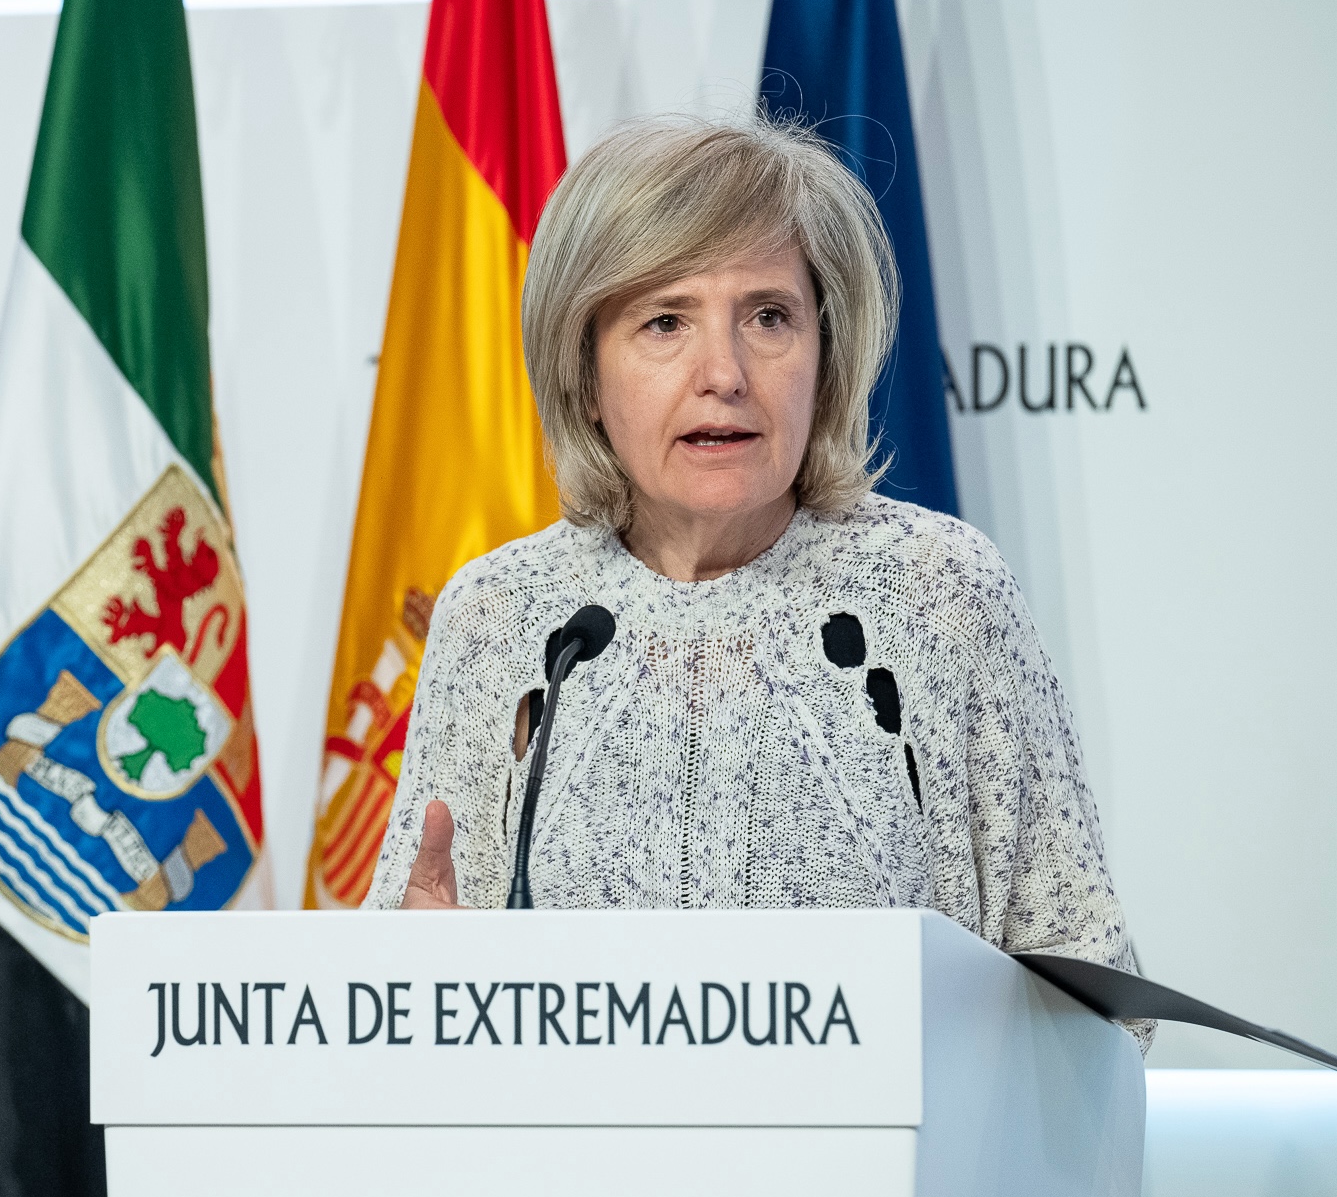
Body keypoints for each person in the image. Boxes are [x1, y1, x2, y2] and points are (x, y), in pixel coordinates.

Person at [360, 114, 1149, 1049]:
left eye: (769, 316)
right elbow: (408, 984)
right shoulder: (504, 617)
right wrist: (410, 986)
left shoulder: (939, 594)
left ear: (827, 348)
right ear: (584, 369)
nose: (724, 374)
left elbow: (1095, 1003)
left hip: (877, 1192)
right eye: (664, 321)